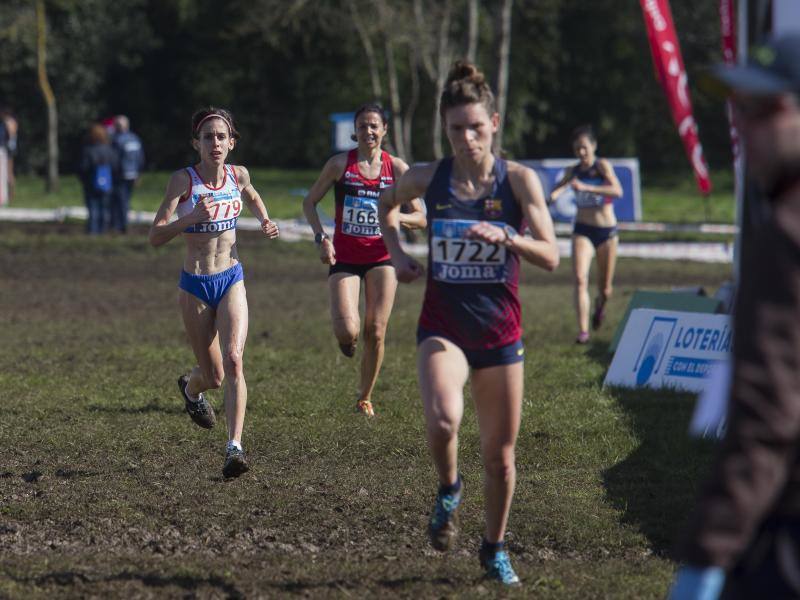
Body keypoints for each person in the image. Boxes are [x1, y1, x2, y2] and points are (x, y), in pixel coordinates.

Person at [378, 61, 559, 585]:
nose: (466, 137)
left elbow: (550, 255)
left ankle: (494, 547)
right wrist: (397, 257)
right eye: (456, 128)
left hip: (501, 337)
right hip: (445, 328)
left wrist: (509, 238)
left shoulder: (519, 181)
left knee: (501, 460)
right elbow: (386, 206)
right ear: (445, 129)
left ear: (495, 123)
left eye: (476, 126)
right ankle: (449, 487)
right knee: (442, 421)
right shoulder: (428, 179)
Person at [668, 33, 800, 599]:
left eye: (767, 108)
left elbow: (765, 418)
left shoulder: (786, 235)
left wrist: (705, 558)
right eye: (741, 109)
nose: (746, 126)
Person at [148, 107, 279, 478]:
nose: (215, 143)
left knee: (235, 360)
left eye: (222, 137)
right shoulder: (183, 182)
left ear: (232, 142)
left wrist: (265, 219)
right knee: (214, 376)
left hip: (231, 277)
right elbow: (155, 235)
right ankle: (191, 389)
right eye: (208, 137)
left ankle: (234, 447)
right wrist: (190, 219)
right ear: (196, 143)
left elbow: (251, 194)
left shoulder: (239, 175)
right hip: (195, 285)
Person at [302, 103, 426, 417]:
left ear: (384, 130)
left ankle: (364, 397)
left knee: (378, 329)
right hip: (344, 256)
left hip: (383, 257)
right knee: (348, 331)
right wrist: (321, 238)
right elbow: (310, 202)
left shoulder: (396, 168)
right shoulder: (339, 164)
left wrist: (394, 217)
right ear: (354, 131)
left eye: (374, 126)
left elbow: (421, 217)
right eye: (362, 126)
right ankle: (349, 340)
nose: (368, 132)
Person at [548, 126, 622, 344]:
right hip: (582, 230)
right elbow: (558, 189)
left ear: (593, 147)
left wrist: (588, 188)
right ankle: (583, 332)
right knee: (580, 279)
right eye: (577, 149)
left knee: (605, 289)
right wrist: (550, 197)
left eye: (584, 148)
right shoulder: (573, 170)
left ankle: (601, 306)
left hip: (607, 233)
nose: (581, 153)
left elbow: (617, 191)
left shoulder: (602, 166)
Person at [78, 123, 117, 235]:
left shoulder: (88, 150)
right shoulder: (109, 149)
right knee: (105, 208)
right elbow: (115, 166)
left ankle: (93, 230)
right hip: (107, 184)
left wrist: (84, 180)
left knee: (93, 208)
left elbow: (83, 167)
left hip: (91, 183)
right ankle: (103, 229)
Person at [110, 115, 145, 233]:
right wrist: (139, 173)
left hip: (120, 175)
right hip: (133, 174)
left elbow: (114, 159)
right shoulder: (135, 138)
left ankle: (120, 225)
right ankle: (123, 223)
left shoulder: (116, 140)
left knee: (119, 200)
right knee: (126, 200)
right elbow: (140, 158)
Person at [0, 106, 17, 202]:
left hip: (9, 150)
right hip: (9, 149)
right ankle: (10, 194)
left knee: (9, 173)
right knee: (8, 173)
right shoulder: (9, 122)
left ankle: (11, 194)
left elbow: (11, 136)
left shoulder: (9, 122)